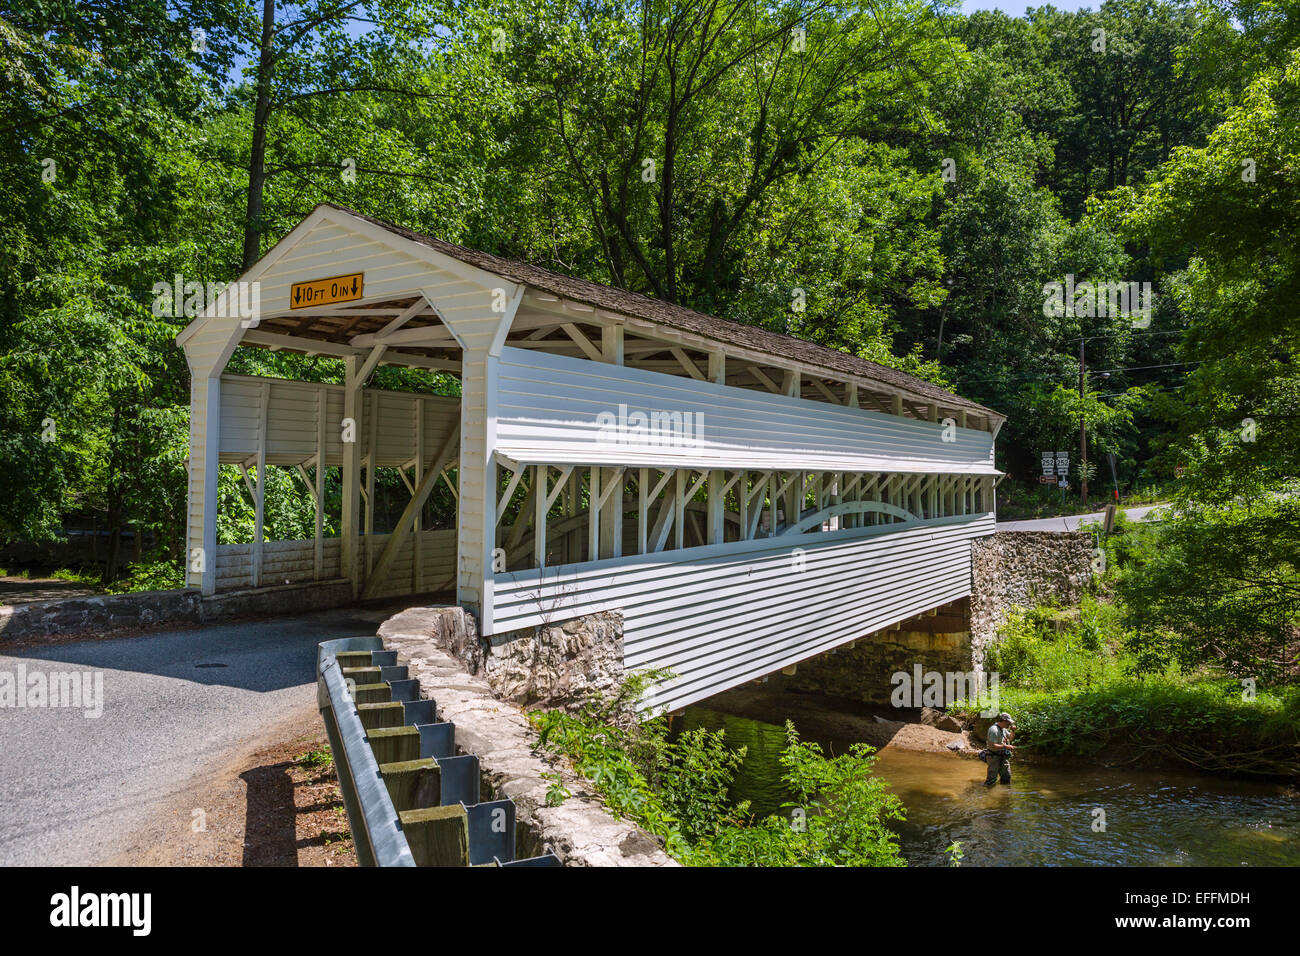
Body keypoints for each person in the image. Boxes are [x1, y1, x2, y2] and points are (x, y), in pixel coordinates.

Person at [984, 712, 1016, 786]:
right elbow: (993, 745)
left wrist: (1013, 731)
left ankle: (1005, 794)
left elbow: (1010, 738)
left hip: (1003, 755)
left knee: (1006, 777)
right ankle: (987, 793)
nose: (1010, 724)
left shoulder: (1003, 729)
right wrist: (1005, 746)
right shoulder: (993, 730)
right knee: (991, 779)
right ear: (1004, 721)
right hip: (993, 756)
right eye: (1009, 722)